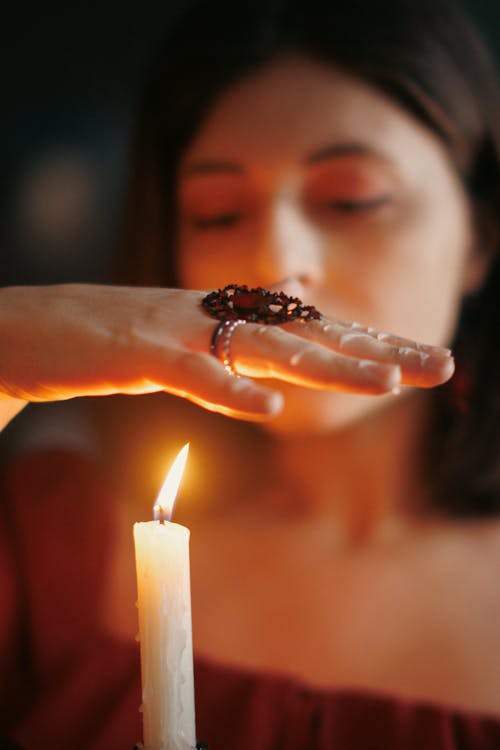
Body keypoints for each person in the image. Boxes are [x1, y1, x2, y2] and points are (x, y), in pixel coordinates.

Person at [1, 0, 500, 747]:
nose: (274, 263)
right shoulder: (49, 547)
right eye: (217, 213)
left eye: (350, 199)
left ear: (479, 241)